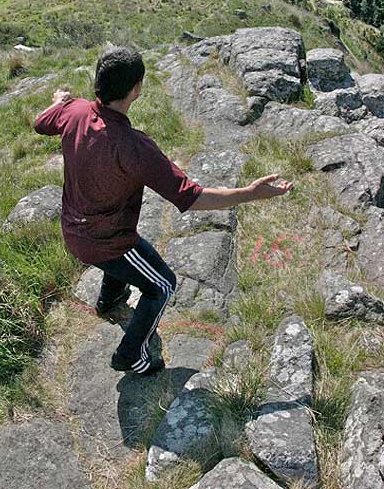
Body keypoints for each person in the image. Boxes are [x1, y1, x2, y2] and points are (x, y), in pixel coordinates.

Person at [34, 47, 293, 376]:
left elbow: (40, 124)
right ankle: (132, 355)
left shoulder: (74, 111)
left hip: (73, 231)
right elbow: (191, 197)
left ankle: (109, 300)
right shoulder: (135, 147)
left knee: (126, 252)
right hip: (107, 240)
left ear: (98, 82)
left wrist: (60, 102)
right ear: (136, 89)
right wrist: (250, 193)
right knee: (163, 285)